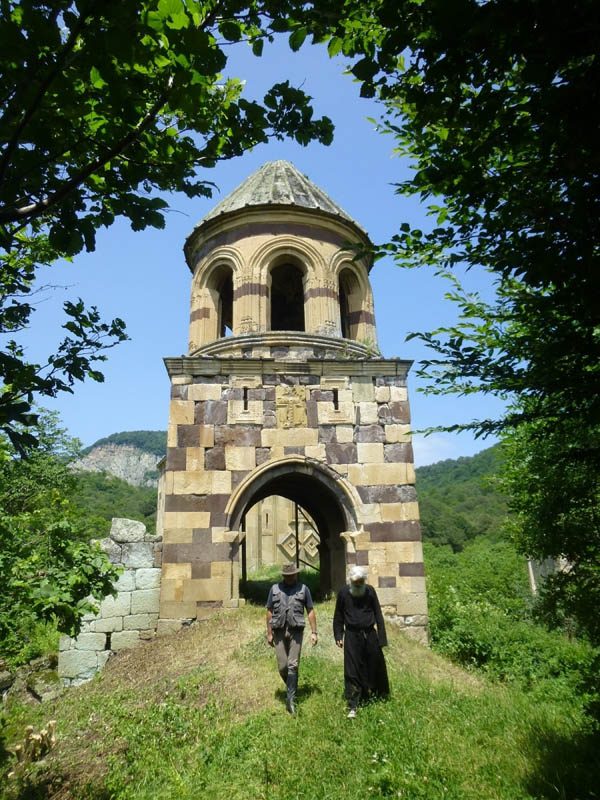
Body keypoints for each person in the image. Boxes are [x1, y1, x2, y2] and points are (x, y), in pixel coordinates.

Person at [333, 565, 389, 718]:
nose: (358, 584)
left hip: (370, 634)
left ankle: (375, 694)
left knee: (374, 665)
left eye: (360, 582)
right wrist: (338, 635)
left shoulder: (370, 591)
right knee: (352, 669)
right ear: (350, 581)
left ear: (364, 580)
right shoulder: (343, 593)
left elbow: (378, 614)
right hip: (352, 635)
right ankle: (353, 703)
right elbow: (338, 616)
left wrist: (382, 638)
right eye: (355, 582)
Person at [266, 562, 318, 714]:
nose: (289, 578)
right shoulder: (274, 589)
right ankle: (292, 686)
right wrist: (269, 633)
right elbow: (269, 611)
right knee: (283, 666)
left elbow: (310, 610)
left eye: (292, 575)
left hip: (296, 632)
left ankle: (291, 701)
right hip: (279, 631)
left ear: (295, 574)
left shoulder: (304, 589)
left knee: (292, 665)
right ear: (283, 575)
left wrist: (314, 632)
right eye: (287, 576)